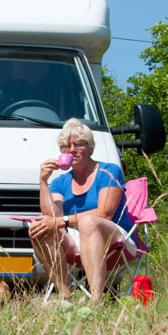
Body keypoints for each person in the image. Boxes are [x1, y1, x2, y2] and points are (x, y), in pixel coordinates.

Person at [28, 118, 135, 302]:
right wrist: (43, 182)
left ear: (91, 149)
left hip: (116, 239)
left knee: (88, 222)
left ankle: (96, 299)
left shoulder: (109, 171)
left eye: (78, 144)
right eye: (65, 146)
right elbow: (52, 217)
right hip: (79, 240)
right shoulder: (61, 182)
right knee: (39, 228)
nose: (71, 150)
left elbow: (105, 213)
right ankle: (64, 295)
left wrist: (62, 221)